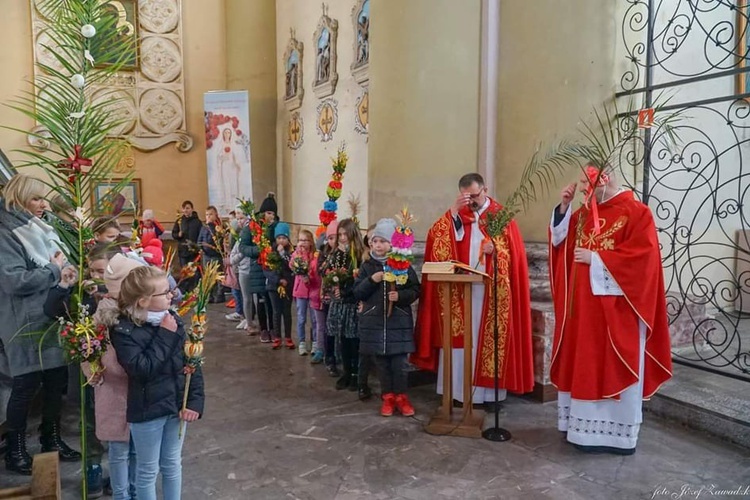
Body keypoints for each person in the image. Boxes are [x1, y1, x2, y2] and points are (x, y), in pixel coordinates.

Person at [549, 164, 673, 455]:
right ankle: (580, 430)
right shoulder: (582, 214)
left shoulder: (637, 213)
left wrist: (597, 259)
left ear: (602, 181)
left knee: (614, 364)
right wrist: (563, 208)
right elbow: (561, 243)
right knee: (585, 363)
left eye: (585, 184)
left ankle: (617, 435)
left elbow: (644, 261)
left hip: (619, 311)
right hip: (583, 311)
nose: (580, 189)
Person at [413, 172, 534, 406]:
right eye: (467, 197)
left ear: (485, 190)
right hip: (461, 292)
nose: (473, 202)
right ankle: (458, 393)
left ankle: (489, 396)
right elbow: (436, 237)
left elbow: (515, 257)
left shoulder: (501, 217)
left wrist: (495, 250)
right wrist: (455, 213)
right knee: (461, 339)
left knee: (485, 340)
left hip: (490, 294)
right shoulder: (458, 214)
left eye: (476, 196)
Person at [0, 174, 80, 475]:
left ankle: (52, 439)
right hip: (23, 321)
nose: (43, 204)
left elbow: (58, 261)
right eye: (36, 199)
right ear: (19, 199)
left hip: (51, 314)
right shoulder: (6, 231)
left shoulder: (37, 228)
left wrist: (66, 274)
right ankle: (16, 450)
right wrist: (53, 269)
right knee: (26, 385)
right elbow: (13, 280)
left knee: (56, 381)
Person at [111, 266, 204, 500]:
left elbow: (192, 362)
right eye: (164, 293)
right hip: (148, 409)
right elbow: (142, 369)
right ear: (143, 301)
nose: (171, 295)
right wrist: (165, 335)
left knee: (172, 464)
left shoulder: (171, 318)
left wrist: (194, 401)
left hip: (176, 405)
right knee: (148, 470)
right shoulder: (124, 330)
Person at [90, 253, 144, 500]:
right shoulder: (106, 313)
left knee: (135, 450)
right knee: (119, 450)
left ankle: (133, 490)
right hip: (114, 392)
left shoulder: (136, 310)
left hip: (136, 393)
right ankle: (122, 494)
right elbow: (104, 359)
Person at [354, 218, 421, 414]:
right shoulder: (367, 267)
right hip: (374, 323)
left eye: (383, 241)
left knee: (399, 364)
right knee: (382, 365)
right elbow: (357, 292)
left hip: (397, 323)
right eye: (375, 241)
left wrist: (400, 296)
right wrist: (371, 280)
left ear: (392, 244)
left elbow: (415, 289)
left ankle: (402, 397)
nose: (378, 245)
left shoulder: (403, 265)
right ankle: (388, 398)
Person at [323, 218, 367, 391]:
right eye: (339, 235)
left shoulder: (360, 254)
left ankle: (356, 374)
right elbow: (325, 271)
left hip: (352, 302)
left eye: (344, 234)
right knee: (341, 339)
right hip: (339, 303)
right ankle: (346, 372)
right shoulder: (336, 253)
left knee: (353, 340)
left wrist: (347, 292)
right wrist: (336, 254)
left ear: (352, 234)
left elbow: (360, 279)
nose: (342, 238)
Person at [238, 214, 272, 339]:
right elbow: (242, 248)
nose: (270, 216)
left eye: (273, 213)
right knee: (257, 299)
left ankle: (274, 329)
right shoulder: (250, 229)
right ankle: (261, 327)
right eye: (268, 213)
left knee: (271, 301)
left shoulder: (273, 227)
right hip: (254, 268)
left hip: (271, 268)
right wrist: (258, 250)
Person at [264, 222, 294, 350]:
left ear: (288, 239)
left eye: (284, 238)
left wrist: (284, 254)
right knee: (276, 312)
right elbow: (266, 269)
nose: (281, 240)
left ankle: (288, 336)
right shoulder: (269, 251)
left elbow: (292, 266)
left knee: (287, 312)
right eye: (279, 238)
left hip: (288, 286)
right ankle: (277, 336)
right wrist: (277, 280)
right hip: (273, 286)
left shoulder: (291, 252)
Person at [290, 229, 320, 356]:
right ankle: (301, 342)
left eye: (306, 240)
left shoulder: (315, 256)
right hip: (300, 291)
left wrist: (309, 276)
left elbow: (316, 271)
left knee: (314, 319)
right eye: (300, 240)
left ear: (311, 242)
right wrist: (298, 257)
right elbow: (291, 265)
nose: (303, 243)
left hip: (313, 290)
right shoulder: (296, 254)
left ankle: (314, 342)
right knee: (301, 317)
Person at [318, 221, 338, 373]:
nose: (333, 241)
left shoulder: (345, 254)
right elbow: (320, 270)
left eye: (336, 237)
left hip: (340, 296)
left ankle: (339, 355)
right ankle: (329, 356)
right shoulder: (324, 253)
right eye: (330, 238)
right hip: (327, 295)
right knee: (328, 327)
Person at [171, 200, 202, 292]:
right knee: (184, 270)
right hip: (183, 250)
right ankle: (184, 290)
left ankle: (194, 289)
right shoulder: (180, 221)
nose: (186, 210)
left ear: (192, 209)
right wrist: (178, 235)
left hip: (194, 251)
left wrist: (198, 247)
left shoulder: (197, 222)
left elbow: (200, 235)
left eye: (188, 208)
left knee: (194, 271)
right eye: (184, 208)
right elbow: (174, 234)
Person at [197, 206, 225, 303]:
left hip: (216, 255)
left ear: (215, 214)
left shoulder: (218, 226)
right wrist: (200, 248)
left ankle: (219, 295)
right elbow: (199, 240)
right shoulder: (204, 227)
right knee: (208, 276)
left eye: (210, 214)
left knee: (218, 276)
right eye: (207, 215)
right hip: (206, 255)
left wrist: (212, 226)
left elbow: (219, 239)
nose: (208, 217)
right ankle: (210, 295)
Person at [216, 128, 241, 213]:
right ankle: (228, 204)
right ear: (223, 134)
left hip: (232, 166)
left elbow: (235, 155)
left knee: (233, 184)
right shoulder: (221, 144)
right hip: (225, 166)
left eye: (228, 132)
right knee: (226, 184)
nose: (227, 134)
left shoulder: (233, 144)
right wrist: (222, 156)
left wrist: (237, 164)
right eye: (225, 132)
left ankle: (234, 205)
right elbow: (218, 156)